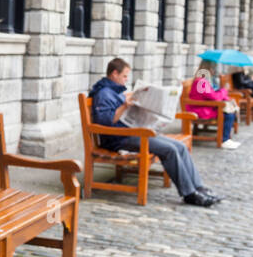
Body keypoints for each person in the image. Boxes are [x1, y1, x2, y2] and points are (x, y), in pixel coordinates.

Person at [89, 58, 223, 206]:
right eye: (125, 76)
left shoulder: (115, 90)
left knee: (180, 146)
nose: (126, 80)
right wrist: (124, 107)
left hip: (133, 132)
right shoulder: (103, 93)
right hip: (118, 139)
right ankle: (189, 194)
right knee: (170, 150)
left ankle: (198, 187)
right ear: (114, 73)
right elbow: (104, 123)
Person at [187, 68, 241, 149]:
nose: (213, 72)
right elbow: (215, 97)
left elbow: (211, 95)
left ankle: (225, 138)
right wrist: (223, 90)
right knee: (228, 115)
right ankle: (224, 140)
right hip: (201, 109)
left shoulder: (201, 81)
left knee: (229, 113)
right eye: (211, 70)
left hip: (202, 106)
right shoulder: (201, 82)